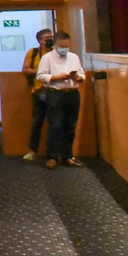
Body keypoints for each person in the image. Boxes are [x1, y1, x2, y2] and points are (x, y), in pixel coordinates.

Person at [34, 30, 85, 168]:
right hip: (55, 94)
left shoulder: (74, 57)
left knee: (70, 126)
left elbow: (81, 73)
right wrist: (57, 77)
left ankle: (67, 156)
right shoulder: (47, 58)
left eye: (67, 46)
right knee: (55, 125)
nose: (64, 49)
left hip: (73, 93)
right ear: (55, 44)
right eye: (62, 46)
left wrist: (78, 77)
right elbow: (40, 76)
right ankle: (52, 157)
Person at [21, 28, 54, 161]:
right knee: (37, 122)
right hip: (39, 91)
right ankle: (32, 150)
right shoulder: (33, 52)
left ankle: (52, 153)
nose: (50, 39)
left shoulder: (56, 53)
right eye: (47, 38)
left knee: (55, 123)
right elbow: (25, 70)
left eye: (51, 37)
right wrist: (42, 72)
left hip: (55, 91)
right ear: (40, 40)